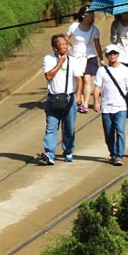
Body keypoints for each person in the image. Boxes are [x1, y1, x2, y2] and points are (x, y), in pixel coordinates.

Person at [93, 43, 128, 165]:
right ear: (106, 56)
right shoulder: (101, 71)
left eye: (114, 53)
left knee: (120, 131)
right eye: (110, 54)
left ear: (118, 55)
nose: (112, 56)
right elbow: (97, 87)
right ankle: (113, 153)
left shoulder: (125, 70)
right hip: (106, 107)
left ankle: (119, 155)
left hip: (121, 107)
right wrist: (96, 101)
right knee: (109, 134)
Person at [41, 33, 83, 165]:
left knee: (69, 128)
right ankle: (49, 153)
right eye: (62, 44)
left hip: (69, 98)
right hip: (53, 98)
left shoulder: (74, 61)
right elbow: (49, 76)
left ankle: (68, 150)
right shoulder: (48, 59)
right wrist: (60, 62)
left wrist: (78, 95)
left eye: (66, 44)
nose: (65, 46)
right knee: (51, 127)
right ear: (55, 48)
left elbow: (78, 79)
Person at [66, 5, 103, 114]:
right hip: (76, 57)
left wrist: (101, 58)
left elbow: (97, 45)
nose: (92, 15)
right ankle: (80, 100)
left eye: (92, 13)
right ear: (83, 15)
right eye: (89, 13)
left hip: (90, 57)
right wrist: (68, 49)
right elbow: (65, 40)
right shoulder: (74, 27)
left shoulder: (94, 30)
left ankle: (85, 104)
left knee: (87, 78)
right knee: (79, 80)